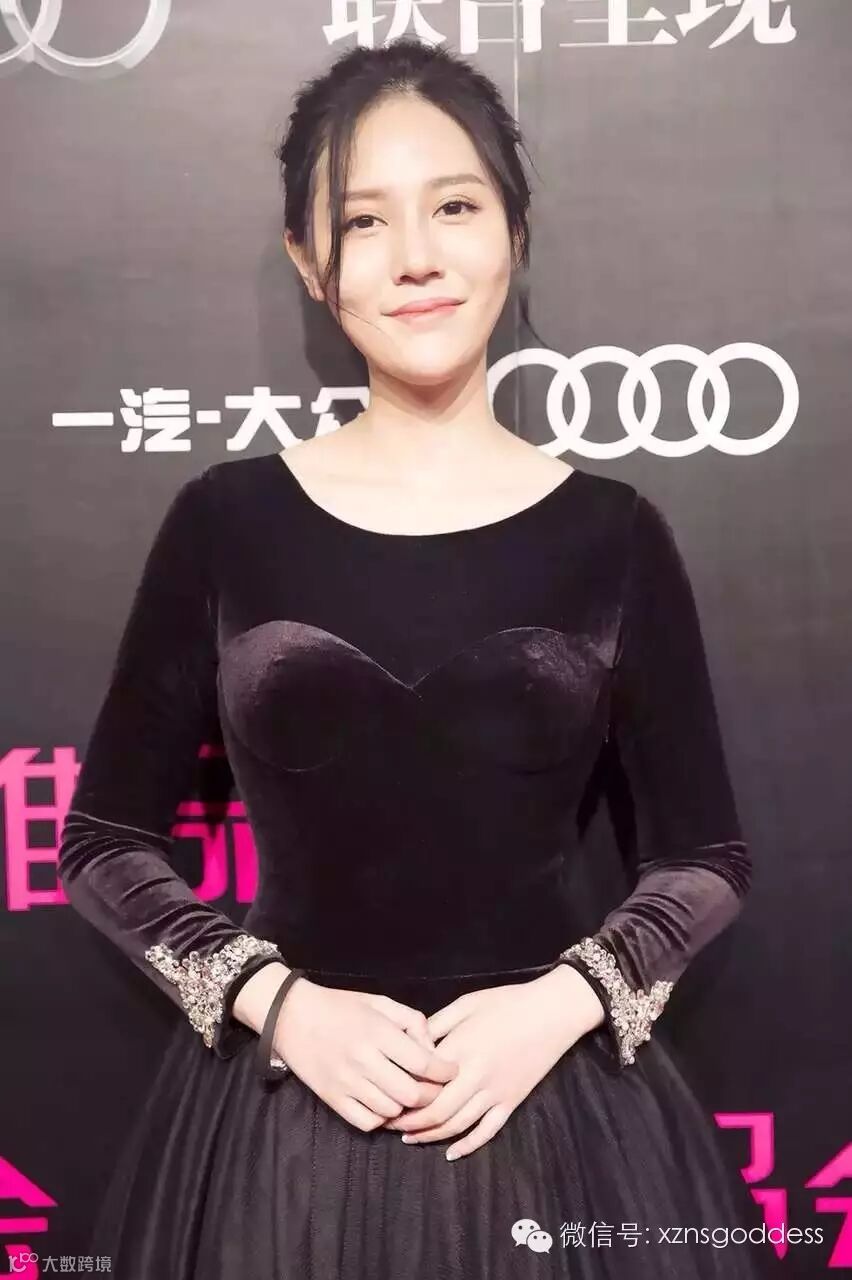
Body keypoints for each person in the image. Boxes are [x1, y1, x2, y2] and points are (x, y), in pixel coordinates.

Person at [58, 37, 781, 1280]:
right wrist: (281, 1003)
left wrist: (560, 1003)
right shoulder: (226, 522)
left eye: (454, 206)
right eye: (363, 220)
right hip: (283, 1131)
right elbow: (103, 841)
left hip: (552, 1113)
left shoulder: (613, 534)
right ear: (308, 259)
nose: (416, 257)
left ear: (514, 229)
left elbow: (704, 856)